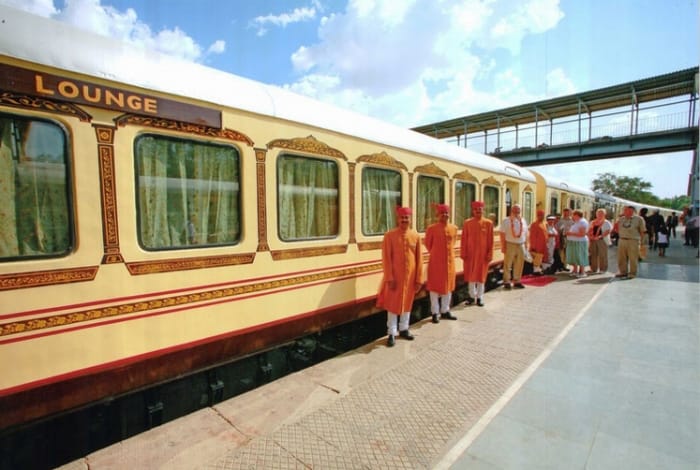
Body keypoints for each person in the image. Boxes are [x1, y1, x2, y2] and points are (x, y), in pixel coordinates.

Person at [377, 206, 423, 347]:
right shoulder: (390, 236)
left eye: (406, 218)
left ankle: (404, 329)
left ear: (410, 219)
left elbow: (419, 259)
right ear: (398, 219)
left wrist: (418, 279)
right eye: (402, 218)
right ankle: (391, 333)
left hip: (410, 278)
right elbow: (386, 258)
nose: (404, 220)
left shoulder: (415, 236)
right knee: (392, 305)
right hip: (395, 278)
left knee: (407, 303)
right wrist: (389, 277)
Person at [425, 204, 459, 323]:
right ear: (438, 215)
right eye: (442, 213)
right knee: (434, 287)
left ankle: (445, 310)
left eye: (446, 213)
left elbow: (453, 242)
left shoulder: (454, 228)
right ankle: (435, 312)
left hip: (450, 263)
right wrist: (437, 253)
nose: (445, 215)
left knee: (448, 286)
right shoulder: (431, 229)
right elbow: (428, 245)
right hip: (436, 262)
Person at [460, 200, 494, 306]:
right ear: (473, 211)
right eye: (476, 209)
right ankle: (471, 296)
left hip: (482, 255)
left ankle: (479, 297)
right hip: (470, 255)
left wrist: (490, 253)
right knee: (471, 276)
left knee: (481, 277)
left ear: (483, 210)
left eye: (480, 209)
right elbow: (464, 239)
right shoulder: (467, 223)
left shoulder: (488, 223)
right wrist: (463, 252)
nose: (478, 211)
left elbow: (491, 240)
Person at [499, 204, 528, 289]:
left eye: (518, 210)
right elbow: (502, 234)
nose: (516, 212)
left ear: (520, 211)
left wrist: (526, 245)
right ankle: (507, 281)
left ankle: (517, 281)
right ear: (511, 211)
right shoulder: (506, 221)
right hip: (510, 244)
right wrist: (503, 246)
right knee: (508, 264)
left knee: (519, 264)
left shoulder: (523, 220)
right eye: (515, 210)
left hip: (521, 244)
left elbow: (526, 234)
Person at [615, 205, 645, 279]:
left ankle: (632, 273)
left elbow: (642, 231)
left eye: (629, 211)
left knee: (633, 258)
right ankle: (623, 272)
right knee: (621, 258)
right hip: (622, 240)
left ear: (633, 211)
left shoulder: (639, 219)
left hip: (633, 241)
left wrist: (642, 242)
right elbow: (616, 229)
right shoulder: (621, 219)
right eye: (625, 210)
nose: (627, 212)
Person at [587, 208, 612, 274]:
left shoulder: (606, 222)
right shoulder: (592, 222)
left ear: (604, 214)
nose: (599, 215)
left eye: (601, 213)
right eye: (598, 213)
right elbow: (589, 230)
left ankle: (603, 269)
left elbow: (608, 231)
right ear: (596, 214)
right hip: (593, 240)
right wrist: (590, 237)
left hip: (602, 240)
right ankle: (593, 269)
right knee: (593, 254)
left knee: (602, 255)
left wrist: (600, 236)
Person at [565, 210, 589, 278]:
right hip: (574, 241)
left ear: (577, 215)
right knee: (574, 256)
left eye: (573, 215)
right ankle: (575, 271)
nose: (572, 216)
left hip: (580, 242)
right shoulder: (577, 222)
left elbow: (582, 234)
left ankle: (582, 272)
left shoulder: (582, 222)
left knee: (580, 256)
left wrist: (570, 233)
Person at [528, 209, 548, 275]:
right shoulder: (534, 224)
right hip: (537, 245)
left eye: (543, 215)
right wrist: (533, 246)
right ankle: (536, 270)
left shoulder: (544, 224)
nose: (542, 217)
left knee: (541, 257)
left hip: (543, 244)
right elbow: (532, 236)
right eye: (540, 215)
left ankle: (538, 268)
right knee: (537, 257)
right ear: (537, 216)